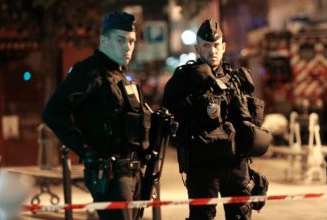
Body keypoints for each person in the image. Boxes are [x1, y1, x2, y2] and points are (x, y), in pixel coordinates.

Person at [42, 11, 151, 220]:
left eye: (131, 41)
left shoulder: (120, 75)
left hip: (134, 173)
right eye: (120, 40)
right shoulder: (89, 72)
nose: (127, 47)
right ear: (103, 40)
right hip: (111, 175)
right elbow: (53, 112)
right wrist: (86, 151)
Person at [162, 18, 269, 220]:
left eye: (216, 45)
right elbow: (169, 117)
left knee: (240, 216)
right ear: (197, 48)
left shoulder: (236, 77)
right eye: (206, 45)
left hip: (236, 164)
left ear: (224, 46)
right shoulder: (184, 78)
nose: (212, 50)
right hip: (202, 165)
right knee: (203, 216)